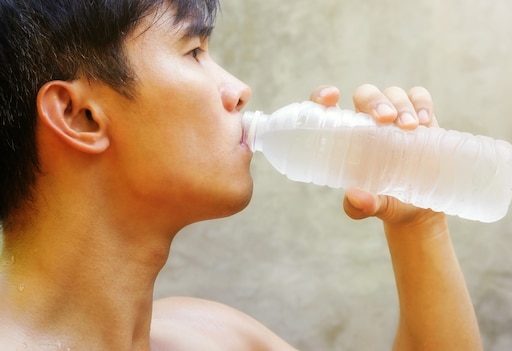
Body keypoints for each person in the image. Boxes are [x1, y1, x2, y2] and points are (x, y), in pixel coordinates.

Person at [0, 0, 483, 349]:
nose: (238, 89)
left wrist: (419, 225)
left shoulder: (215, 337)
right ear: (78, 115)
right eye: (193, 52)